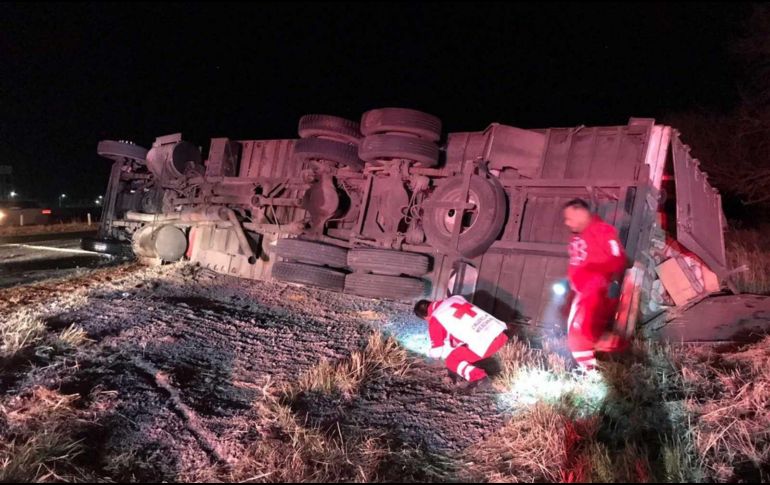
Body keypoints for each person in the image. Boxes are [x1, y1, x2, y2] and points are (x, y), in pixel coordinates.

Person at [563, 198, 629, 371]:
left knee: (580, 335)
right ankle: (599, 366)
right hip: (581, 290)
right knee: (583, 332)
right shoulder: (577, 236)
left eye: (569, 217)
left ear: (581, 213)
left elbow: (618, 259)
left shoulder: (602, 230)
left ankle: (592, 372)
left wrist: (596, 276)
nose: (566, 222)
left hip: (593, 289)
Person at [414, 295, 508, 386]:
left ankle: (479, 379)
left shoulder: (435, 318)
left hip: (487, 345)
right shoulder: (455, 298)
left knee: (452, 360)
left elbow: (437, 352)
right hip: (501, 333)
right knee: (461, 349)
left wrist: (429, 353)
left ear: (425, 317)